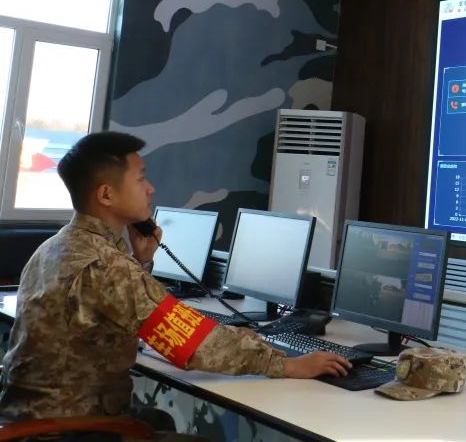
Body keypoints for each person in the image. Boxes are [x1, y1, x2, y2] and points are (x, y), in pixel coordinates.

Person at [0, 131, 351, 438]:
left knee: (160, 419)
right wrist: (288, 364)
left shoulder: (57, 246)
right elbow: (192, 344)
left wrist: (142, 263)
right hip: (71, 431)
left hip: (32, 419)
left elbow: (111, 312)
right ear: (106, 195)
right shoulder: (106, 266)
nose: (150, 188)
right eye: (141, 178)